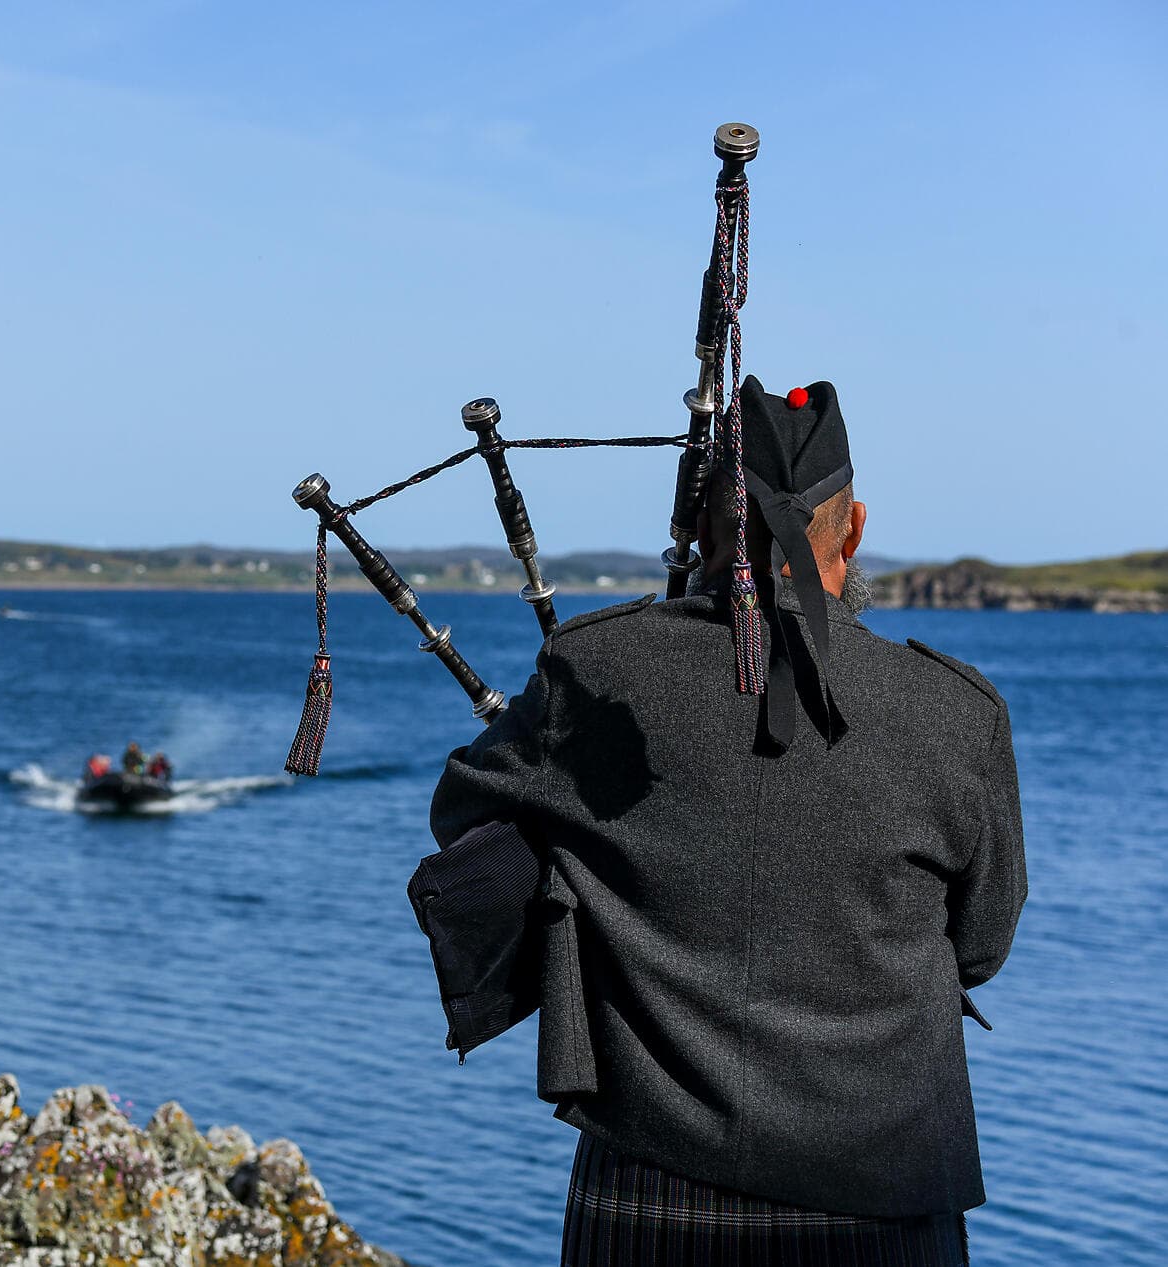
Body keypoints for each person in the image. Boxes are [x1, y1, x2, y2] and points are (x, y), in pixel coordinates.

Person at [430, 377, 1026, 1264]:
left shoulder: (596, 666)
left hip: (647, 1193)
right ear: (854, 529)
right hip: (886, 1202)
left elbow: (462, 816)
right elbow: (979, 945)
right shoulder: (958, 714)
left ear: (701, 530)